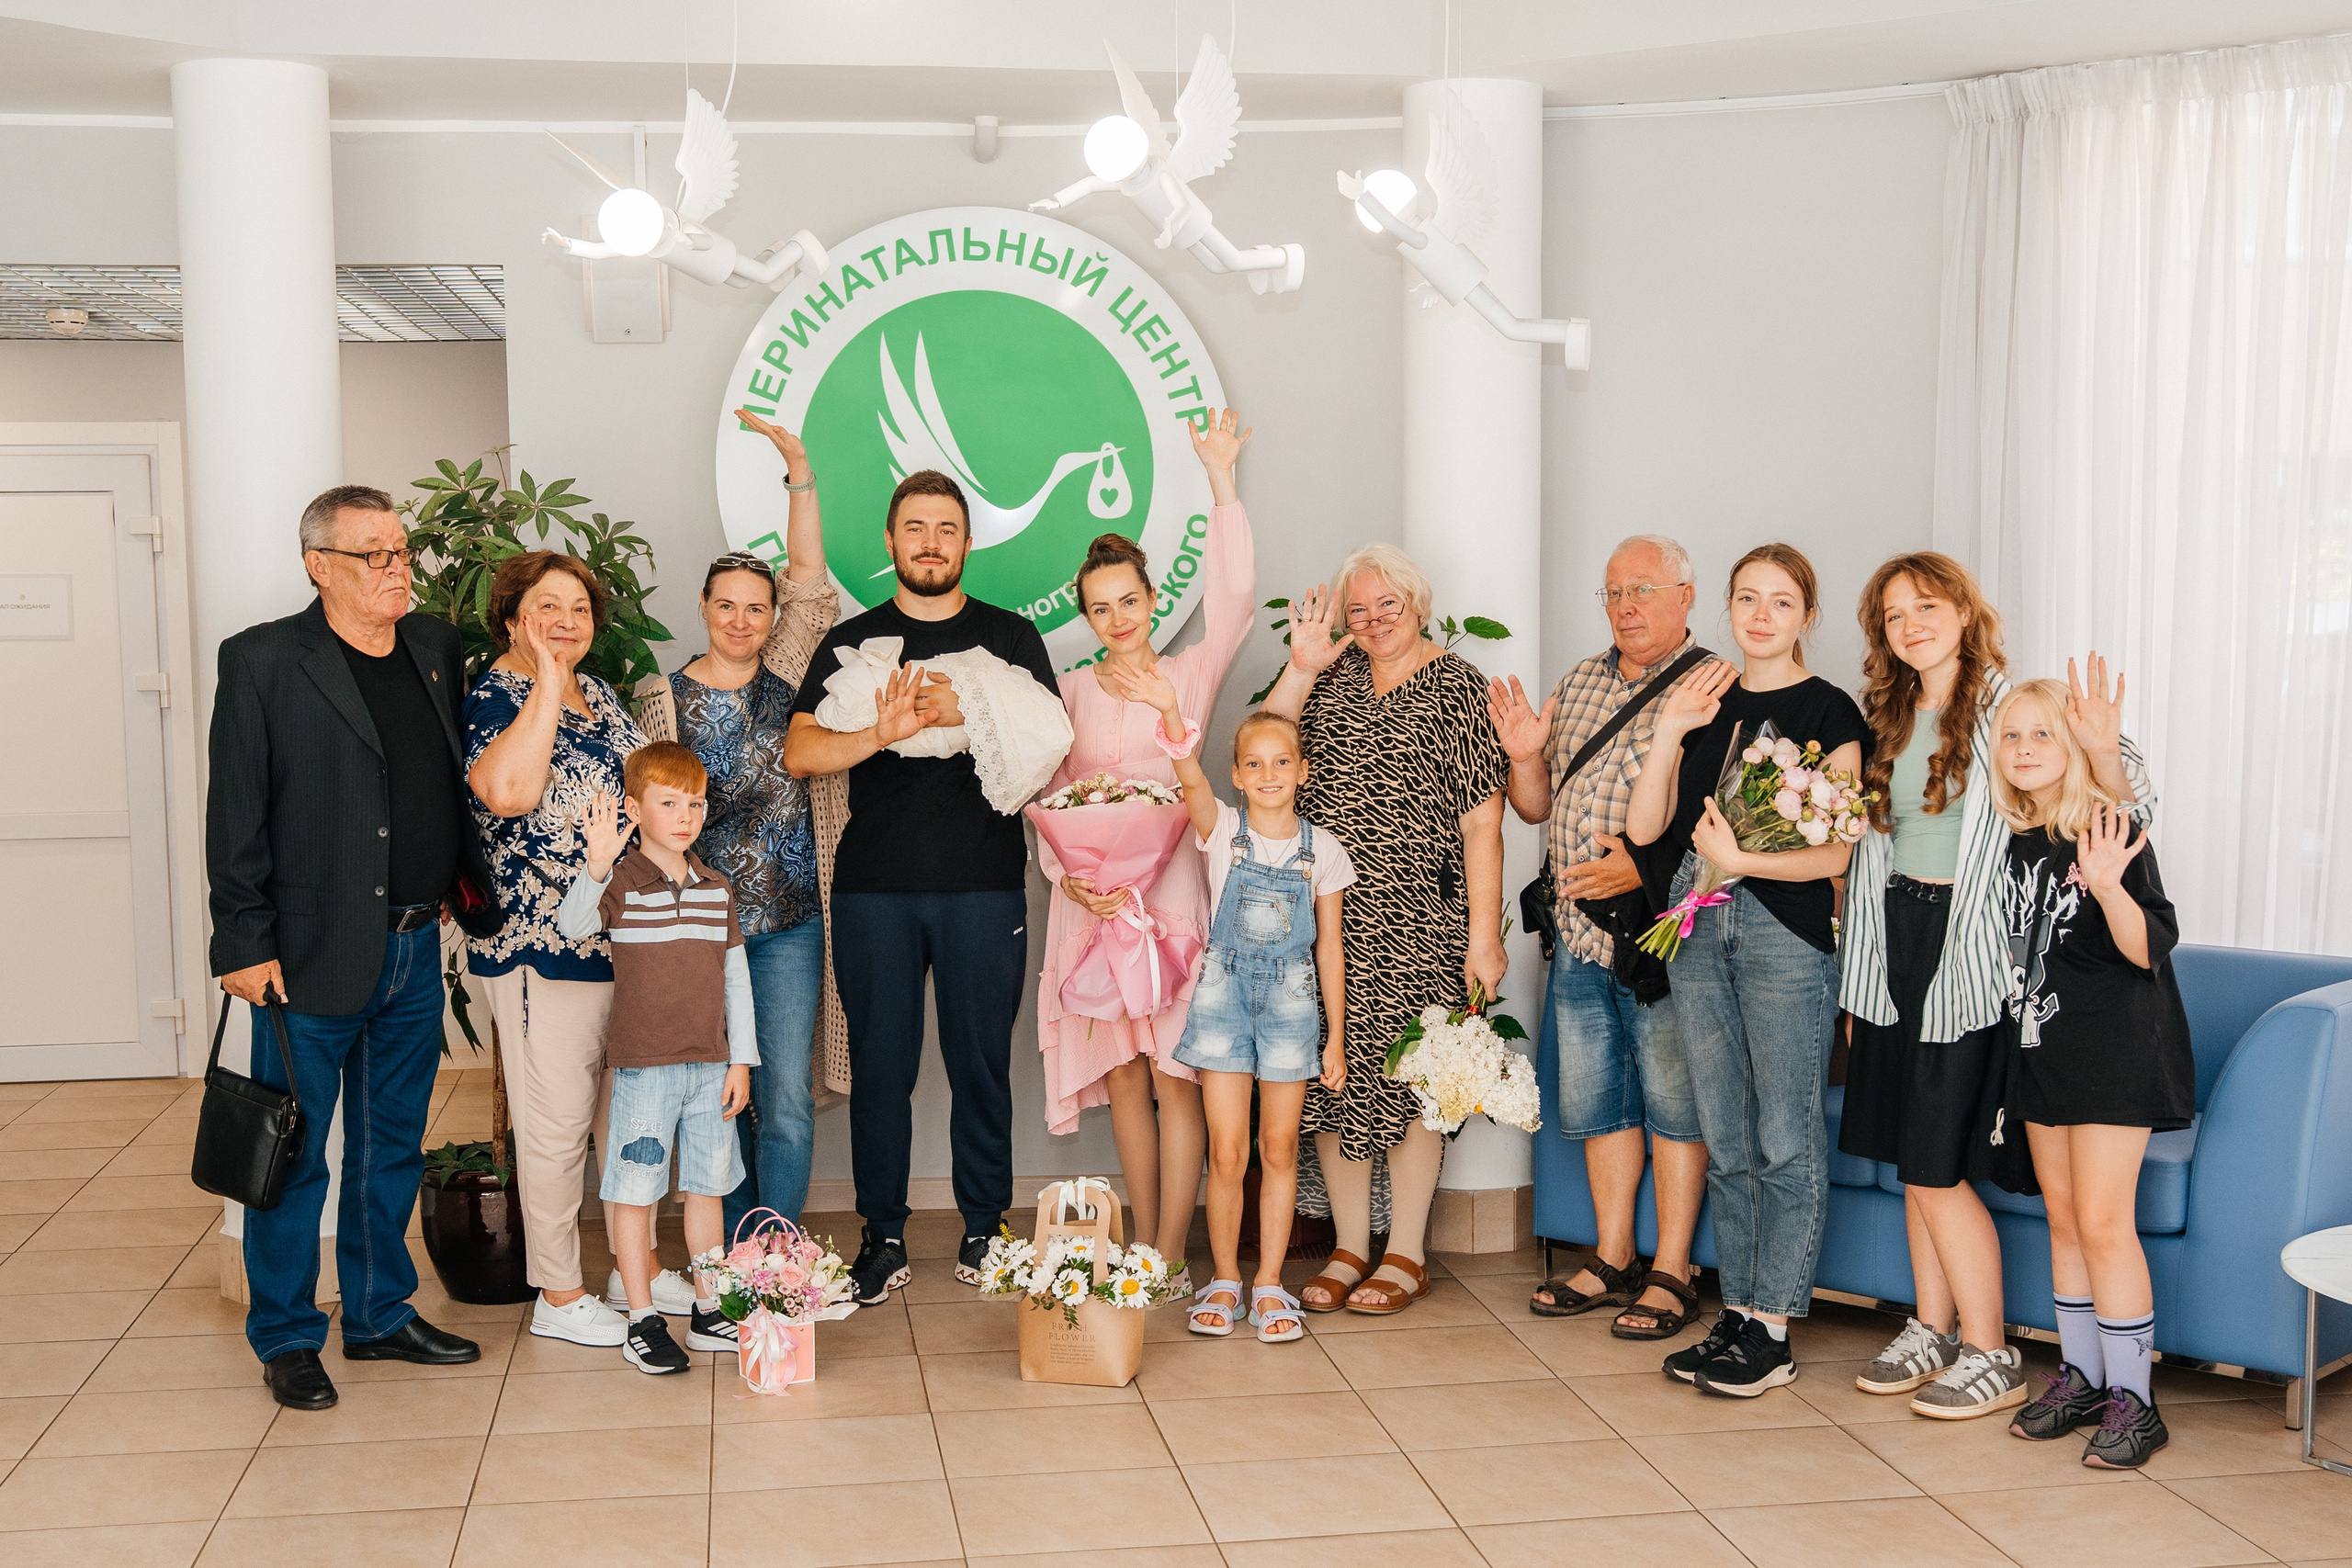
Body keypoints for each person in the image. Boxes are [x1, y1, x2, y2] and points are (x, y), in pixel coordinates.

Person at [1837, 551, 2152, 1420]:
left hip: (1971, 947)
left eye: (1928, 606)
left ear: (1967, 612)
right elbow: (1873, 849)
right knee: (1911, 1157)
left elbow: (2128, 808)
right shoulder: (1890, 713)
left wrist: (2101, 748)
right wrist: (1863, 979)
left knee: (1938, 1160)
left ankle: (1990, 1349)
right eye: (1895, 614)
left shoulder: (2011, 705)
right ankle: (1931, 1328)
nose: (1912, 625)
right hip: (1892, 937)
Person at [207, 482, 494, 1412]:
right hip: (306, 956)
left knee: (391, 1150)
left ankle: (378, 1316)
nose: (399, 568)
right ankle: (287, 1335)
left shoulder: (433, 646)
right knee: (293, 1155)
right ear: (319, 566)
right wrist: (241, 940)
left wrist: (454, 885)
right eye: (376, 554)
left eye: (402, 550)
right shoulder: (261, 661)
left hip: (415, 948)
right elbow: (236, 814)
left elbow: (436, 784)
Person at [784, 468, 1063, 1304]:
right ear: (890, 540)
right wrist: (884, 728)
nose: (931, 542)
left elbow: (1050, 744)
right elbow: (801, 752)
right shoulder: (855, 640)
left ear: (967, 541)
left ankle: (985, 1229)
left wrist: (966, 712)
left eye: (946, 527)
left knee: (981, 1065)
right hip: (875, 889)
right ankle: (883, 1236)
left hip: (984, 885)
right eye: (916, 527)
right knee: (881, 1069)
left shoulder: (1011, 639)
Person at [1622, 544, 1869, 1393]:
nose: (1761, 616)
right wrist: (1665, 736)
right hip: (1696, 931)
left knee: (1783, 1135)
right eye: (1747, 598)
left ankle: (1773, 1326)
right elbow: (1649, 829)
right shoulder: (1703, 698)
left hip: (1782, 937)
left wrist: (1745, 863)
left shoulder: (1832, 712)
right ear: (1726, 606)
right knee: (1724, 1134)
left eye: (1781, 602)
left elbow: (1838, 853)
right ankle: (1737, 1311)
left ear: (1807, 616)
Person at [1035, 407, 1257, 1287]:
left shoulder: (1191, 671)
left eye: (1130, 600)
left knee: (1176, 1073)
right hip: (1090, 904)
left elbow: (1235, 596)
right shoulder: (1067, 690)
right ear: (1085, 615)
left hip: (1169, 899)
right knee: (1124, 1074)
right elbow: (1042, 799)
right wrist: (1066, 874)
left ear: (1154, 601)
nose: (1118, 616)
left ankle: (1169, 1248)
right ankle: (1136, 1244)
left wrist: (1222, 478)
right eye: (1101, 607)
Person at [1262, 544, 1509, 1316]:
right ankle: (1347, 1244)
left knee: (1411, 1079)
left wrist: (1484, 936)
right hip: (1327, 918)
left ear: (1418, 603)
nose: (1372, 621)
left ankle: (1404, 1250)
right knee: (1332, 1078)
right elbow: (1265, 744)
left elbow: (1483, 824)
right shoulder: (1330, 678)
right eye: (1358, 609)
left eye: (1386, 606)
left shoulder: (1457, 687)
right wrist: (1302, 665)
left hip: (1421, 919)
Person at [1487, 535, 1713, 1337]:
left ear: (1687, 595)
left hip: (1665, 940)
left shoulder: (1713, 684)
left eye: (1645, 589)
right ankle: (1614, 1254)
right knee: (1598, 1100)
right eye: (1614, 591)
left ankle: (1674, 1268)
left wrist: (1644, 871)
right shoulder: (1581, 679)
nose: (1627, 606)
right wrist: (1521, 758)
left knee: (1675, 1103)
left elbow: (1723, 818)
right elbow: (1538, 806)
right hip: (1579, 936)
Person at [636, 408, 839, 1264]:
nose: (744, 620)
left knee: (785, 1096)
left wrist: (799, 469)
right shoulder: (660, 699)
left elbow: (811, 580)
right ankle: (727, 1253)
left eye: (757, 608)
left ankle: (776, 1256)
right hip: (698, 934)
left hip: (790, 923)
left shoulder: (791, 674)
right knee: (716, 1095)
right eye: (728, 605)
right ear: (705, 609)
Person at [1990, 681, 2191, 1468]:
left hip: (2117, 1055)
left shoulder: (2109, 827)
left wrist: (2106, 884)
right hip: (2045, 1053)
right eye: (2012, 736)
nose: (2027, 746)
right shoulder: (2021, 841)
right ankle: (2083, 1376)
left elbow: (2147, 948)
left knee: (2106, 1224)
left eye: (2044, 733)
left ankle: (2136, 1402)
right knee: (2065, 1222)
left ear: (2074, 748)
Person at [1122, 682, 1352, 1342]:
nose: (1269, 774)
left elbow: (1329, 945)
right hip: (1223, 1001)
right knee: (1226, 1151)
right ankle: (1224, 1277)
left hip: (1292, 1007)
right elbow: (1186, 775)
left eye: (1283, 761)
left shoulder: (1324, 852)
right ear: (1236, 773)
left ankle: (1270, 1283)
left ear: (1303, 770)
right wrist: (1170, 711)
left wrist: (1334, 1038)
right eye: (1254, 763)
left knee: (1277, 1148)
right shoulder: (1223, 829)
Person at [464, 549, 649, 1348]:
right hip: (542, 947)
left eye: (579, 609)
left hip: (622, 941)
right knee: (555, 1121)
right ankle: (559, 1290)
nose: (567, 622)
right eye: (548, 607)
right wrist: (545, 679)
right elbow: (507, 793)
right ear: (512, 617)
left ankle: (622, 1272)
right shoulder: (496, 695)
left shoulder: (602, 694)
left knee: (617, 1117)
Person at [556, 744, 761, 1375]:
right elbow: (570, 926)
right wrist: (595, 862)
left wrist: (741, 1061)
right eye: (669, 803)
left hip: (710, 1068)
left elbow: (736, 983)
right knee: (634, 1192)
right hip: (644, 1069)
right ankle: (641, 1318)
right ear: (636, 809)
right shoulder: (619, 883)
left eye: (694, 803)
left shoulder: (715, 890)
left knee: (707, 1188)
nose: (684, 815)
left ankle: (708, 1306)